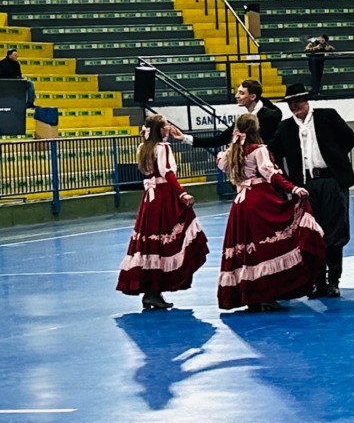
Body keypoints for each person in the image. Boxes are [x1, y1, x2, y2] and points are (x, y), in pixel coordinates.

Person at [216, 113, 325, 311]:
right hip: (259, 201)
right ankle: (266, 294)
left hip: (240, 204)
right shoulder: (259, 150)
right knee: (267, 247)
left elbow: (223, 164)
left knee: (248, 248)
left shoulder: (231, 152)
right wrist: (293, 189)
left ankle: (250, 295)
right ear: (255, 129)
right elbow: (271, 174)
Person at [268, 83, 354, 299]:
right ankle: (317, 281)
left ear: (306, 100)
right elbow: (272, 151)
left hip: (331, 180)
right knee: (312, 232)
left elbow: (349, 139)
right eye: (290, 102)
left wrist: (335, 159)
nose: (294, 105)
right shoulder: (286, 127)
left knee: (335, 231)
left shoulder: (327, 116)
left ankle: (333, 280)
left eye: (297, 101)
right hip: (306, 186)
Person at [115, 116, 209, 310]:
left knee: (152, 243)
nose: (169, 126)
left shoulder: (143, 148)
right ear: (160, 129)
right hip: (165, 196)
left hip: (150, 199)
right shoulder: (163, 148)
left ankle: (152, 291)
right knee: (176, 234)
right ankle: (157, 288)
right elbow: (168, 173)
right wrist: (182, 193)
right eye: (166, 124)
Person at [169, 78, 282, 148]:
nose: (237, 96)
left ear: (252, 97)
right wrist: (184, 137)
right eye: (237, 92)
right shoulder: (243, 120)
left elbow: (270, 147)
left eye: (241, 93)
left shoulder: (269, 116)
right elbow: (220, 139)